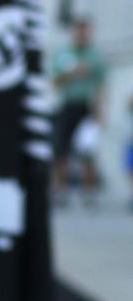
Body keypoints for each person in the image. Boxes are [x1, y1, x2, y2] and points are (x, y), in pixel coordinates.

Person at [51, 15, 106, 204]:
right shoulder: (62, 54)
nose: (82, 34)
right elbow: (53, 82)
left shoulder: (94, 55)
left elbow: (101, 85)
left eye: (85, 30)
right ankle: (60, 191)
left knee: (87, 151)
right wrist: (71, 73)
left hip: (87, 106)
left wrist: (99, 111)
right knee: (60, 150)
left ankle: (89, 192)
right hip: (66, 105)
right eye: (79, 29)